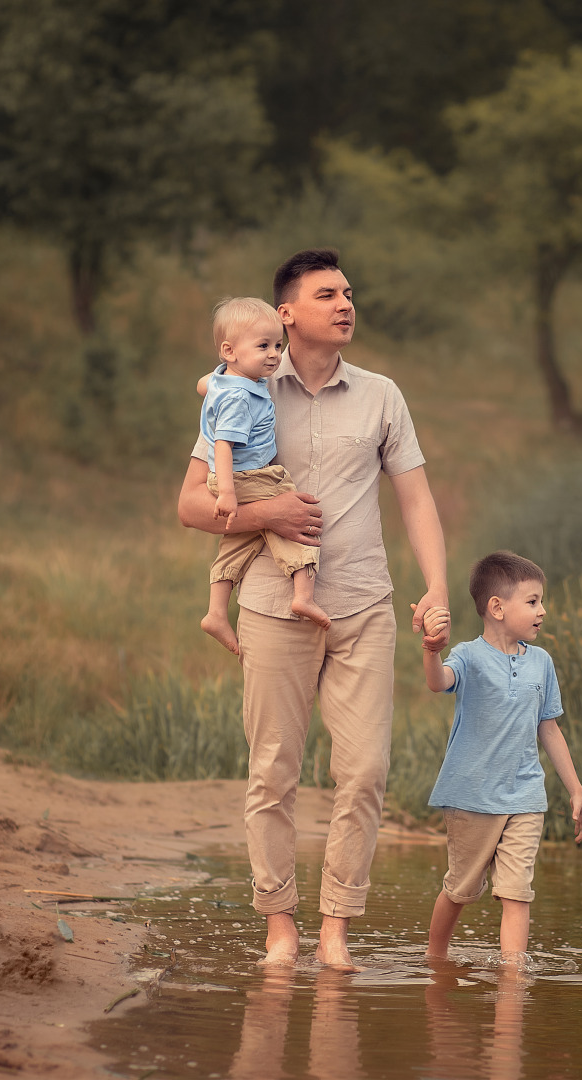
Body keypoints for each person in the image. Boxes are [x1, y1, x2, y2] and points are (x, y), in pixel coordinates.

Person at [177, 249, 449, 969]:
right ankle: (279, 925)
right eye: (327, 293)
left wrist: (440, 588)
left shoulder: (382, 395)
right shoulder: (244, 388)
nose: (345, 303)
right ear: (287, 312)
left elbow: (416, 499)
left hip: (365, 606)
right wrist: (266, 514)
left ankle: (336, 929)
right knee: (274, 774)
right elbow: (190, 506)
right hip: (275, 609)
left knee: (364, 773)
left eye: (349, 292)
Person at [419, 551, 582, 967]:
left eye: (540, 601)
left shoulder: (542, 663)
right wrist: (430, 649)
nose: (542, 610)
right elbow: (439, 682)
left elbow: (548, 727)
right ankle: (435, 958)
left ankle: (513, 980)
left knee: (517, 892)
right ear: (497, 608)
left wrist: (575, 789)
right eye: (532, 602)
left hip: (525, 796)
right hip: (471, 796)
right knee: (460, 890)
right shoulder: (469, 656)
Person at [197, 296, 329, 656]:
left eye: (277, 345)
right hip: (246, 475)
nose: (274, 354)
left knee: (238, 541)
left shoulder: (224, 379)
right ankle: (303, 595)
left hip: (232, 478)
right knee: (295, 513)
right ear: (230, 351)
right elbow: (223, 444)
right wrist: (227, 493)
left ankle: (215, 613)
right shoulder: (241, 398)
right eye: (263, 346)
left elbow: (202, 385)